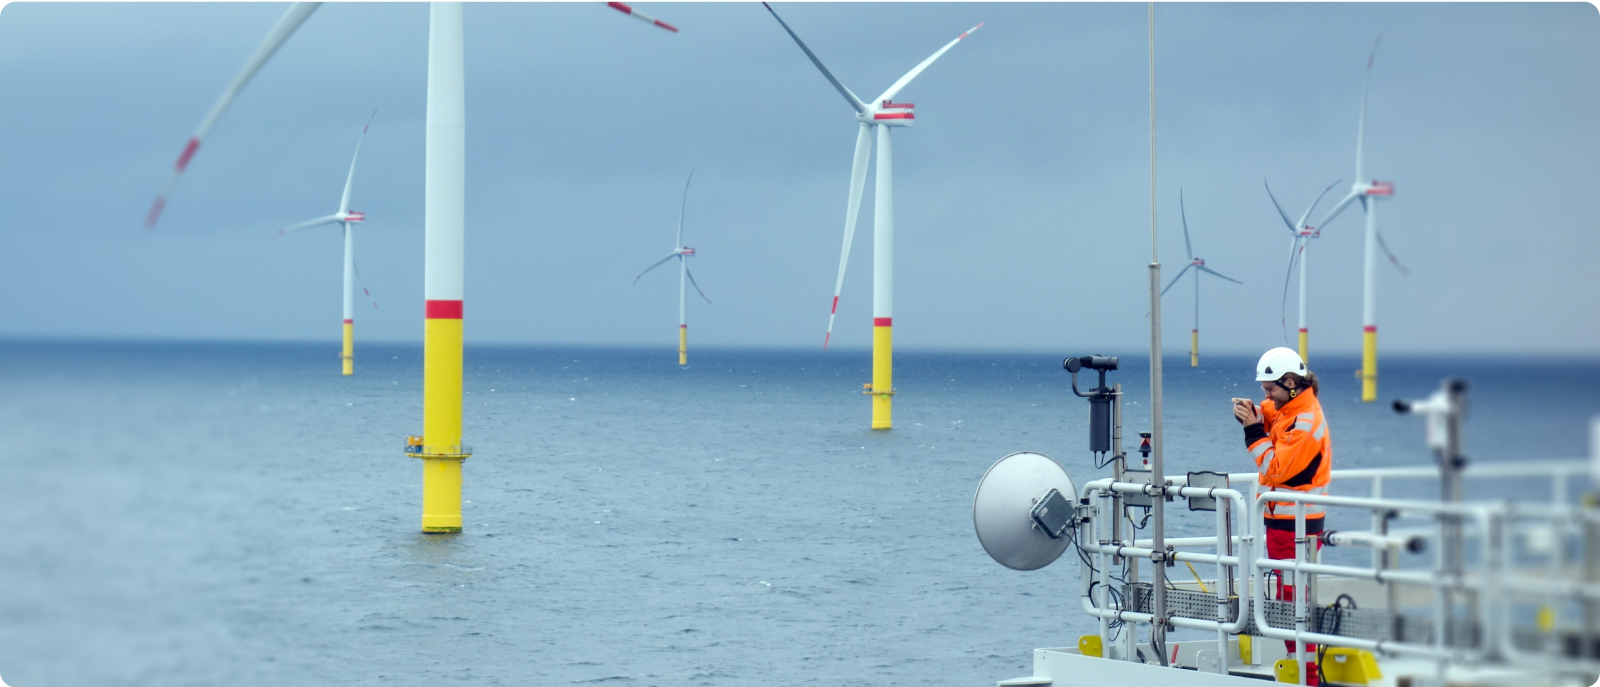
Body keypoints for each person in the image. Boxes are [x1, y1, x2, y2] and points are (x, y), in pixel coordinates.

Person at [1232, 347, 1331, 679]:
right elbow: (1273, 415)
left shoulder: (1305, 421)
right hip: (1286, 524)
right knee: (1290, 599)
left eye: (1268, 388)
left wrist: (1252, 431)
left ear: (1290, 382)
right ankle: (1301, 669)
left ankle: (1306, 675)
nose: (1266, 395)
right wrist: (1254, 412)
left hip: (1296, 527)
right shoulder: (1292, 408)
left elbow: (1275, 468)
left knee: (1293, 605)